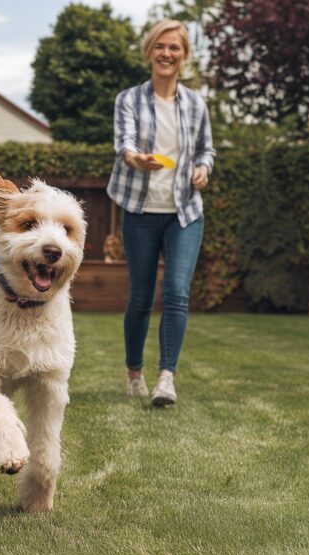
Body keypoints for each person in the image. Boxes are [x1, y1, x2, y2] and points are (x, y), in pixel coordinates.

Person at [106, 19, 214, 407]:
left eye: (175, 48)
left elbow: (206, 150)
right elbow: (125, 143)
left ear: (184, 56)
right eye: (160, 47)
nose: (167, 54)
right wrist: (135, 159)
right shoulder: (129, 99)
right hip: (141, 210)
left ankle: (166, 377)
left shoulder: (196, 103)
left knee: (177, 294)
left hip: (184, 212)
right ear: (150, 51)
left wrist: (203, 168)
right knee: (140, 297)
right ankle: (134, 369)